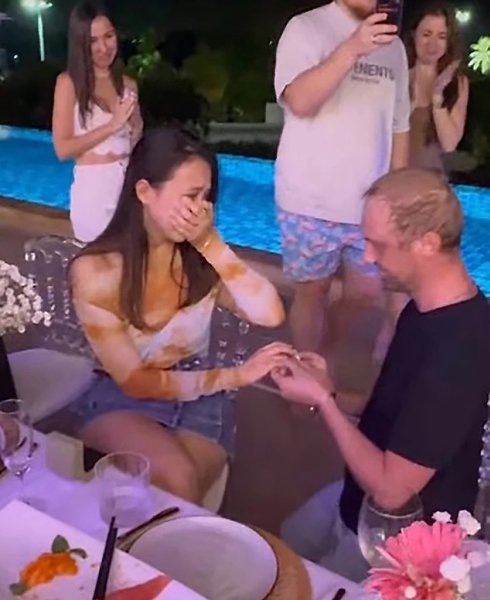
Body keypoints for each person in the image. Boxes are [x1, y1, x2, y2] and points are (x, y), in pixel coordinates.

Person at [272, 168, 490, 582]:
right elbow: (391, 410)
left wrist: (323, 404)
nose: (368, 258)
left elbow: (392, 491)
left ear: (427, 244)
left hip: (402, 536)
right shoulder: (423, 309)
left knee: (302, 580)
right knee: (290, 539)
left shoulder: (459, 350)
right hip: (361, 492)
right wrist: (329, 390)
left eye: (378, 245)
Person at [69, 126, 288, 504]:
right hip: (121, 395)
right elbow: (135, 382)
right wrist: (236, 376)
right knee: (181, 483)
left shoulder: (199, 260)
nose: (200, 210)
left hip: (199, 393)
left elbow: (270, 314)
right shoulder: (97, 271)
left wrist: (211, 244)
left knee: (177, 496)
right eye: (190, 196)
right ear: (144, 192)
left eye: (206, 198)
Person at [274, 0, 410, 356]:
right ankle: (308, 373)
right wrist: (352, 47)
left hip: (370, 205)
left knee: (366, 294)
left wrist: (397, 197)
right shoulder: (305, 27)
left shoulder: (394, 46)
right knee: (312, 292)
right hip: (309, 198)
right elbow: (299, 102)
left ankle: (322, 357)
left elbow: (400, 125)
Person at [52, 1, 143, 243]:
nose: (103, 47)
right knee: (96, 262)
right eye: (92, 41)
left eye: (109, 36)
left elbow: (135, 136)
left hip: (127, 190)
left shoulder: (128, 85)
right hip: (93, 193)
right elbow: (62, 149)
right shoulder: (69, 83)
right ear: (80, 44)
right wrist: (112, 126)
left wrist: (135, 128)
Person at [406, 2, 469, 172]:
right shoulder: (397, 75)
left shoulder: (457, 83)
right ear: (413, 34)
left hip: (432, 183)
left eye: (441, 36)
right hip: (393, 179)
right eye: (426, 34)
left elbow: (449, 144)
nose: (432, 44)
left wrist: (437, 97)